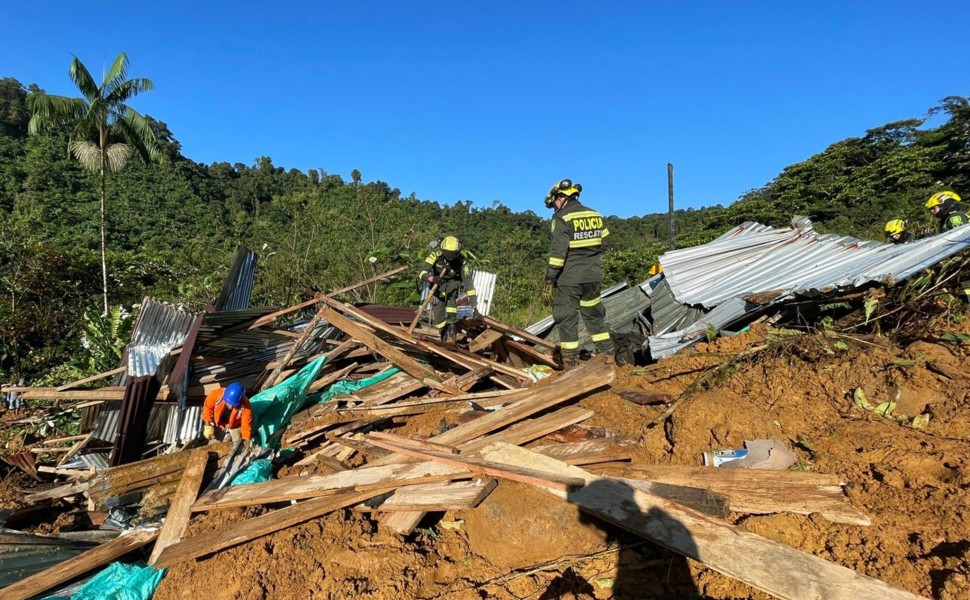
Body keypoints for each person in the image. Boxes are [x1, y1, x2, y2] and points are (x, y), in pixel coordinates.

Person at [543, 178, 614, 368]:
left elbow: (558, 254)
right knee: (594, 316)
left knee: (566, 318)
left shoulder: (561, 218)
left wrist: (549, 279)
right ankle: (608, 355)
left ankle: (570, 364)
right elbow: (606, 243)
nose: (554, 207)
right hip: (593, 276)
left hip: (569, 279)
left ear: (560, 198)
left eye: (554, 203)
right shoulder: (595, 215)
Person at [418, 235, 477, 343]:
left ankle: (452, 327)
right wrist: (432, 278)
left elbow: (469, 285)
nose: (450, 257)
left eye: (453, 254)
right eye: (448, 254)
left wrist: (475, 306)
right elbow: (422, 273)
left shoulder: (463, 262)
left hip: (453, 284)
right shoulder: (435, 255)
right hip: (437, 286)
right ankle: (443, 334)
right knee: (438, 317)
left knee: (451, 296)